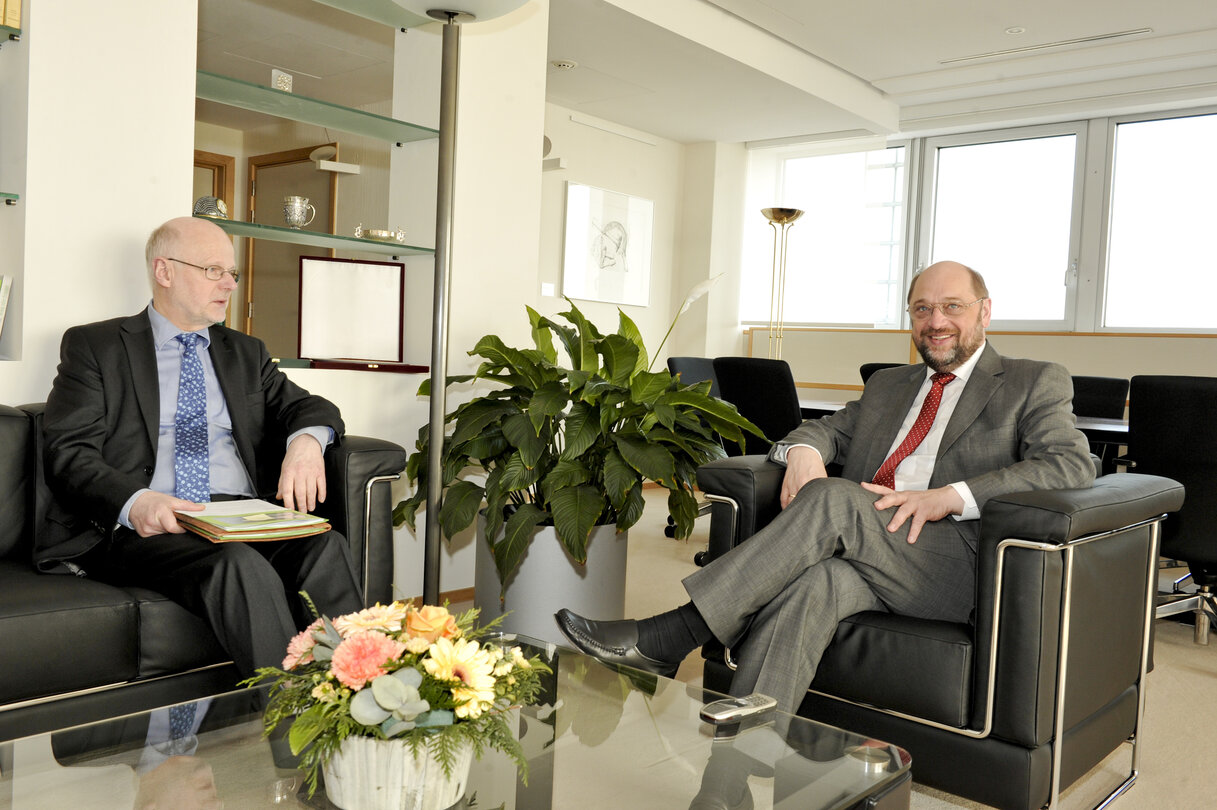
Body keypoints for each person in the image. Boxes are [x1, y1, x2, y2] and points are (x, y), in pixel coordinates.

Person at [556, 260, 1095, 714]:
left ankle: (671, 634)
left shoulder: (1031, 380)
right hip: (867, 548)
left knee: (835, 498)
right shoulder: (889, 384)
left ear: (984, 310)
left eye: (952, 306)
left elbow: (1071, 464)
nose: (936, 321)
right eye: (922, 309)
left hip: (953, 559)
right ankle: (735, 774)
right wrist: (806, 454)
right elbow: (820, 429)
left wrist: (949, 496)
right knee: (820, 584)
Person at [39, 215, 363, 678]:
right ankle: (297, 728)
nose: (229, 284)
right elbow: (68, 452)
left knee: (322, 545)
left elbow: (309, 406)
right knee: (237, 565)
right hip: (151, 520)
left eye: (232, 273)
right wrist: (137, 502)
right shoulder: (98, 346)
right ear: (164, 271)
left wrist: (307, 444)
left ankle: (361, 703)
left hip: (238, 513)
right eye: (213, 270)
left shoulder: (244, 352)